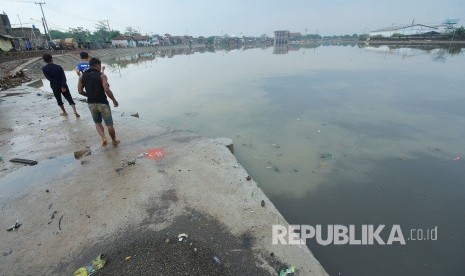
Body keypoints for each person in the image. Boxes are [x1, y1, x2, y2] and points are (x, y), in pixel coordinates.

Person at [78, 58, 120, 147]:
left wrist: (90, 95)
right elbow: (107, 90)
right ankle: (114, 141)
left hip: (91, 104)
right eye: (100, 66)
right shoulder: (102, 76)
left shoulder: (82, 76)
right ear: (97, 65)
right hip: (102, 103)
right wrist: (114, 100)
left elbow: (80, 91)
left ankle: (104, 138)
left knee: (97, 123)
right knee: (109, 124)